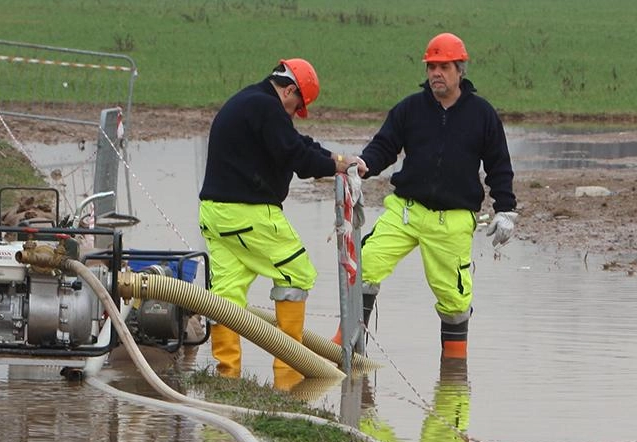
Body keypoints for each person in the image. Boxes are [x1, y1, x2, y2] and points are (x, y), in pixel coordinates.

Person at [348, 33, 517, 360]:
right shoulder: (410, 108)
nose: (436, 73)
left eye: (443, 66)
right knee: (364, 265)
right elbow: (385, 145)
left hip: (452, 220)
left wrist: (506, 210)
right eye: (431, 67)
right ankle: (351, 358)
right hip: (406, 212)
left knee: (454, 303)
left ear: (460, 70)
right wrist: (363, 165)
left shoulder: (482, 114)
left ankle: (453, 381)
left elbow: (499, 164)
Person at [199, 58, 354, 380]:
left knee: (227, 294)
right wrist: (335, 167)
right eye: (297, 106)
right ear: (289, 90)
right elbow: (296, 157)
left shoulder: (250, 101)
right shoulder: (267, 108)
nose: (294, 114)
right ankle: (289, 374)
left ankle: (227, 376)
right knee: (297, 274)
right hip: (248, 213)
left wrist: (337, 158)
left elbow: (296, 143)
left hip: (215, 213)